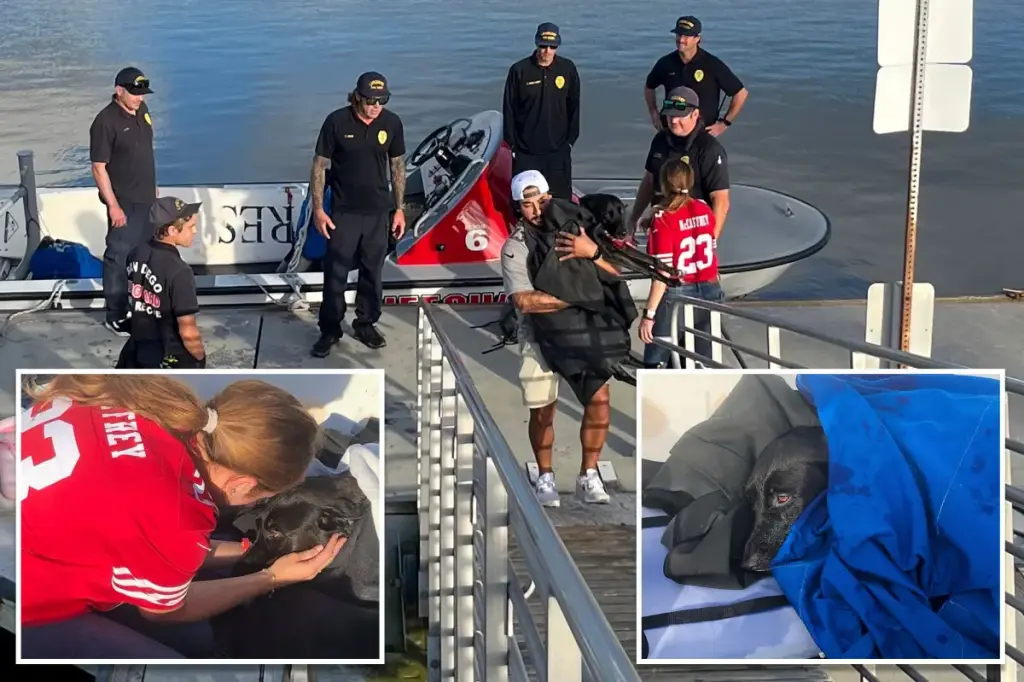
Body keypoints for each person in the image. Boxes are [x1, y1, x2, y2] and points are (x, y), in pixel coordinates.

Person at [18, 375, 346, 659]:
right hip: (32, 597)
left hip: (40, 529)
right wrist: (272, 578)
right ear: (243, 483)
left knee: (198, 634)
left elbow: (151, 538)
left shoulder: (141, 403)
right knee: (182, 656)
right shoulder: (176, 515)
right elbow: (164, 612)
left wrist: (251, 552)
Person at [500, 170, 618, 508]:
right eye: (528, 204)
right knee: (543, 412)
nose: (537, 209)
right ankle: (546, 474)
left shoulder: (578, 231)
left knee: (600, 402)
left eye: (542, 201)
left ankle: (589, 475)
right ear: (517, 208)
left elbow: (614, 276)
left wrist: (591, 252)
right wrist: (579, 297)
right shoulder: (514, 247)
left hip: (585, 331)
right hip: (540, 336)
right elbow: (523, 301)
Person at [309, 72, 407, 355]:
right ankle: (329, 329)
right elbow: (319, 166)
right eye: (371, 100)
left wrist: (398, 210)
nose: (377, 106)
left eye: (382, 100)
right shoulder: (336, 122)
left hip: (378, 212)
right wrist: (318, 209)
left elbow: (397, 167)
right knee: (336, 274)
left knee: (372, 273)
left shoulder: (392, 123)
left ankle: (366, 323)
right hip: (343, 212)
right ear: (357, 97)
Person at [90, 66, 159, 337]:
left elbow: (146, 154)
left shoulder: (142, 111)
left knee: (144, 258)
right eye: (134, 93)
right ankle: (116, 315)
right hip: (124, 204)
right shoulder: (105, 122)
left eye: (142, 93)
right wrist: (113, 206)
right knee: (118, 258)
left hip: (147, 200)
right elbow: (98, 167)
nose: (139, 98)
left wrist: (154, 189)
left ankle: (140, 307)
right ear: (119, 91)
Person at [639, 159, 723, 368]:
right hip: (710, 288)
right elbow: (711, 246)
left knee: (657, 358)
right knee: (702, 359)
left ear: (664, 185)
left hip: (677, 291)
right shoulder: (704, 209)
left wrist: (649, 315)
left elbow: (663, 273)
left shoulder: (663, 218)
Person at [627, 87, 730, 240]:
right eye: (670, 115)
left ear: (695, 114)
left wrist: (710, 241)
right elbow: (649, 180)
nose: (674, 120)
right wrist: (633, 219)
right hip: (661, 224)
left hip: (692, 231)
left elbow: (721, 201)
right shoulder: (660, 140)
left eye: (680, 116)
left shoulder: (709, 149)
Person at [115, 197, 207, 370]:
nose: (194, 231)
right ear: (172, 230)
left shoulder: (135, 253)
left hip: (138, 346)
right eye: (190, 227)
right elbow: (187, 330)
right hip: (168, 352)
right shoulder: (180, 271)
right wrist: (199, 358)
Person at [502, 22, 581, 200]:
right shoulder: (519, 70)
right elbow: (509, 109)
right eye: (543, 45)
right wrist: (512, 144)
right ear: (536, 44)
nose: (547, 51)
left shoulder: (567, 69)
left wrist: (570, 141)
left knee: (560, 201)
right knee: (525, 202)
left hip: (558, 149)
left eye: (552, 46)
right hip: (526, 151)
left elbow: (574, 106)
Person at [644, 16, 748, 136]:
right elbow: (649, 86)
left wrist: (725, 123)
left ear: (697, 38)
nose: (681, 39)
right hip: (671, 129)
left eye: (686, 36)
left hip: (702, 133)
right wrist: (654, 113)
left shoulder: (712, 64)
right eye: (679, 35)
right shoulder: (666, 63)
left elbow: (741, 93)